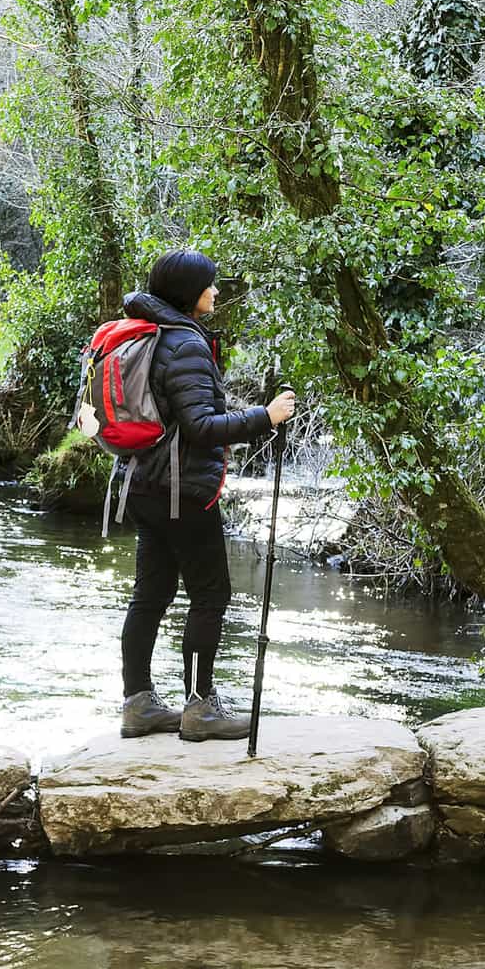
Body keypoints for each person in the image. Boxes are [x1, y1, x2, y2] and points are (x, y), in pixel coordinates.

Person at [117, 250, 298, 742]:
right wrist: (266, 417)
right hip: (183, 489)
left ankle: (138, 705)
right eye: (210, 285)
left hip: (141, 483)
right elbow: (199, 428)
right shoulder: (185, 343)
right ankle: (200, 708)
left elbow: (181, 411)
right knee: (210, 594)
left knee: (149, 595)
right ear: (187, 292)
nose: (216, 292)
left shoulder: (144, 331)